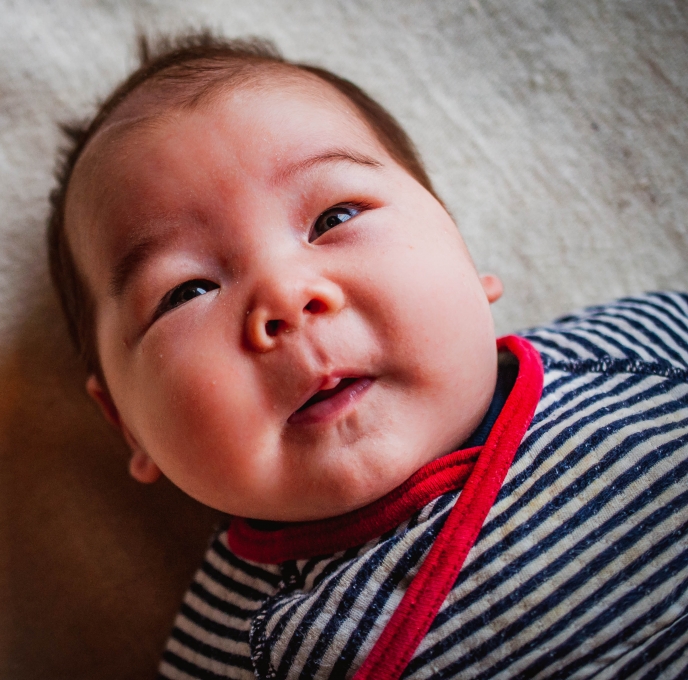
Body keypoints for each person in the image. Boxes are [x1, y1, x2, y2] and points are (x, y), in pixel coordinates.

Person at [46, 32, 688, 680]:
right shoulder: (241, 644)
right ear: (126, 424)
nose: (286, 298)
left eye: (334, 217)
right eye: (187, 291)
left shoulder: (634, 355)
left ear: (462, 255)